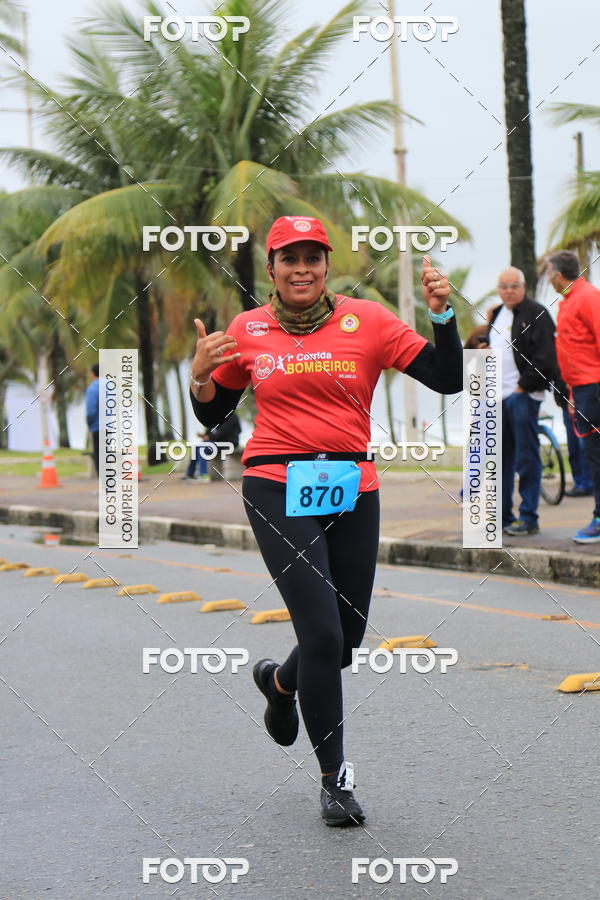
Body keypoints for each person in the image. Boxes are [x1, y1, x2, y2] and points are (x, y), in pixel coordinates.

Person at [188, 215, 462, 827]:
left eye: (313, 257)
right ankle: (335, 781)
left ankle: (280, 685)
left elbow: (446, 380)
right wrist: (201, 374)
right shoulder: (247, 328)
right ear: (273, 269)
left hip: (352, 485)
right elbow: (214, 411)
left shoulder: (369, 322)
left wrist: (441, 314)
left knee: (347, 638)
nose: (302, 269)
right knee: (321, 636)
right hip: (275, 482)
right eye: (290, 258)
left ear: (328, 264)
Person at [486, 267, 558, 536]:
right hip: (496, 397)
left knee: (527, 457)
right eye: (504, 286)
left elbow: (546, 358)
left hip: (522, 397)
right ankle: (503, 516)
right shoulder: (496, 313)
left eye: (514, 285)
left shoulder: (537, 313)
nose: (509, 290)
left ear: (523, 286)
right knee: (499, 459)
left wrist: (522, 388)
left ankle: (529, 516)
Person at [548, 250, 600, 543]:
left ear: (557, 275)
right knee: (593, 454)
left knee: (596, 455)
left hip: (594, 387)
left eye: (548, 274)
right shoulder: (569, 300)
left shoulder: (588, 297)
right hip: (580, 389)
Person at [553, 374, 593, 497]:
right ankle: (580, 482)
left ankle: (589, 483)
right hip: (566, 401)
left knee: (585, 445)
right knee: (573, 447)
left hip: (583, 399)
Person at [182, 415, 242, 482]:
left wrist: (209, 437)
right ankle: (190, 474)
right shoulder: (214, 416)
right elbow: (209, 431)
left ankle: (203, 475)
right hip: (215, 442)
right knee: (196, 448)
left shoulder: (231, 416)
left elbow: (224, 432)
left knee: (203, 448)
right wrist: (205, 437)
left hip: (229, 442)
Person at [85, 364, 100, 474]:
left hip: (98, 426)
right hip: (110, 426)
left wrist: (89, 422)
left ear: (93, 374)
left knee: (99, 455)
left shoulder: (93, 388)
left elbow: (91, 410)